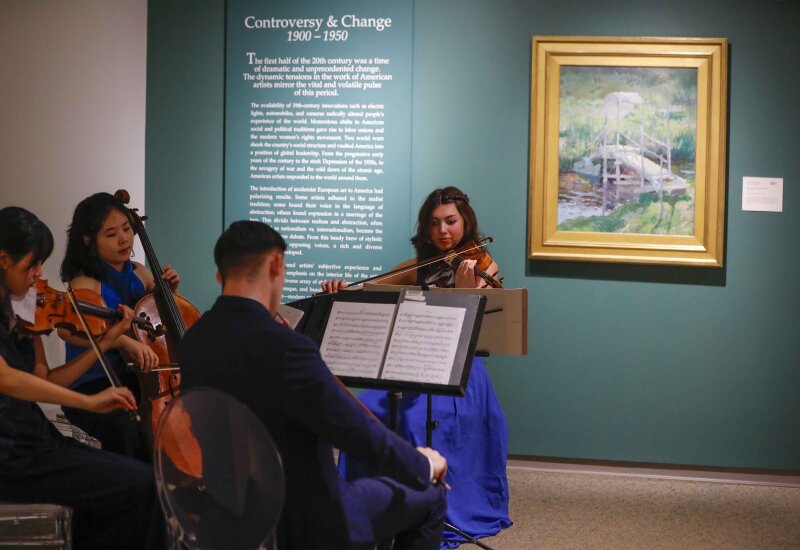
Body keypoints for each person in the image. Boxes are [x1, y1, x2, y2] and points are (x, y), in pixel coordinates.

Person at [180, 220, 449, 549]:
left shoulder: (193, 341)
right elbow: (355, 432)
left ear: (220, 276)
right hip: (307, 519)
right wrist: (422, 464)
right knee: (430, 495)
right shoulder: (285, 348)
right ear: (277, 263)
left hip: (231, 511)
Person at [324, 187, 512, 546]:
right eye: (435, 223)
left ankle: (431, 503)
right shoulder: (415, 267)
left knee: (412, 419)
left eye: (451, 222)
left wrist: (463, 290)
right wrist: (341, 288)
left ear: (466, 222)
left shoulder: (483, 266)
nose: (444, 231)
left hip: (459, 370)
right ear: (425, 229)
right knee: (367, 409)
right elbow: (368, 290)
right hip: (412, 363)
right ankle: (370, 506)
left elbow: (472, 331)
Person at [0, 206, 165, 549]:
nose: (38, 274)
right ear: (3, 260)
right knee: (142, 485)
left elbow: (46, 381)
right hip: (11, 455)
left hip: (36, 442)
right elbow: (7, 379)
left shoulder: (20, 310)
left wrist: (105, 340)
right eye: (31, 264)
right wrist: (89, 400)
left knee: (125, 488)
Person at [58, 192, 180, 459]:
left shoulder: (139, 272)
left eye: (127, 228)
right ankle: (130, 490)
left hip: (136, 378)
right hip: (92, 383)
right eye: (111, 234)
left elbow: (161, 324)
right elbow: (68, 331)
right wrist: (121, 340)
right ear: (89, 240)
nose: (124, 238)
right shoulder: (85, 283)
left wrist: (169, 294)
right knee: (128, 427)